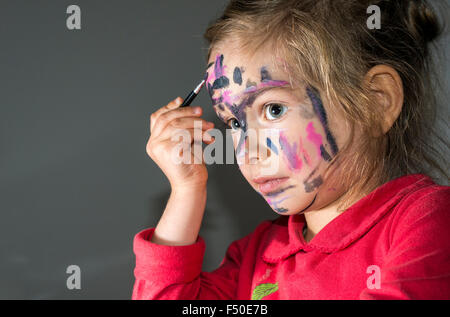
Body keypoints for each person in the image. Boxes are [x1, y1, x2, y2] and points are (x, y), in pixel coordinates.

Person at [132, 0, 450, 299]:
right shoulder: (256, 256)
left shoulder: (428, 222)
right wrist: (187, 189)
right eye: (234, 123)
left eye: (273, 110)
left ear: (377, 102)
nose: (247, 151)